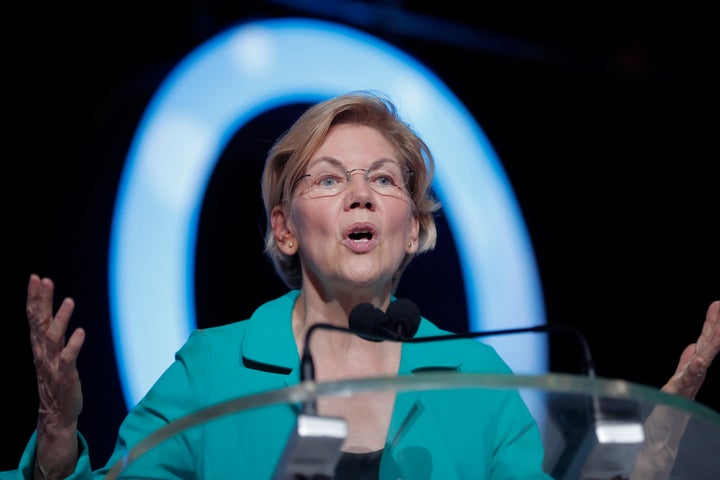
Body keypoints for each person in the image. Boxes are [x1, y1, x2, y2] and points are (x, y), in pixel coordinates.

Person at [6, 90, 719, 479]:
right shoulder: (216, 369)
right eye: (328, 179)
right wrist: (59, 439)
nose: (362, 195)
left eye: (384, 180)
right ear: (285, 228)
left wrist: (649, 461)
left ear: (413, 228)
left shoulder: (475, 377)